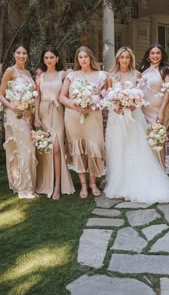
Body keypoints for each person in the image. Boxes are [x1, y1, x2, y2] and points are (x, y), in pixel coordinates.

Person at [104, 47, 169, 204]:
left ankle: (137, 183)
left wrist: (131, 104)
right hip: (116, 117)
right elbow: (108, 96)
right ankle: (120, 184)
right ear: (117, 59)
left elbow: (140, 95)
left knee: (135, 148)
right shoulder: (111, 76)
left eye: (127, 57)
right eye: (122, 57)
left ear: (131, 59)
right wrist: (116, 106)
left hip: (134, 116)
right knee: (118, 148)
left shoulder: (137, 75)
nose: (124, 60)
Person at [59, 46, 106, 198]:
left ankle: (93, 183)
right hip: (73, 117)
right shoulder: (71, 76)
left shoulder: (101, 75)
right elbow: (62, 97)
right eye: (80, 57)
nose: (83, 59)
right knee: (78, 148)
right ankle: (84, 186)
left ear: (91, 58)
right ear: (77, 60)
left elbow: (106, 97)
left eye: (86, 56)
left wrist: (93, 104)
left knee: (93, 147)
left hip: (93, 116)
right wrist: (75, 105)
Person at [34, 48, 75, 200]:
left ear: (57, 59)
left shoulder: (62, 74)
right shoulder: (40, 76)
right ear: (43, 60)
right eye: (46, 57)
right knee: (45, 148)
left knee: (57, 148)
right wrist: (36, 117)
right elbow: (36, 97)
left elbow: (74, 74)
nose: (49, 60)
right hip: (44, 112)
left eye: (52, 57)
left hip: (57, 113)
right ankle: (45, 182)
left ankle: (58, 185)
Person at [0, 45, 37, 198]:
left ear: (27, 55)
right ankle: (25, 189)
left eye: (24, 53)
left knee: (26, 148)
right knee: (24, 148)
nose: (22, 55)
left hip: (27, 114)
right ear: (14, 55)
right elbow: (1, 94)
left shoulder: (28, 72)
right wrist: (12, 107)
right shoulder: (10, 71)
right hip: (15, 114)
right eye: (19, 53)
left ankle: (22, 183)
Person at [139, 43, 169, 168]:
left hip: (158, 111)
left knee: (157, 142)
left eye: (158, 53)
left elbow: (168, 91)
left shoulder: (165, 69)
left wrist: (162, 112)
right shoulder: (143, 69)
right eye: (152, 53)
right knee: (145, 144)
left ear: (162, 55)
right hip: (143, 112)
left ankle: (160, 173)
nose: (155, 56)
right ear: (148, 55)